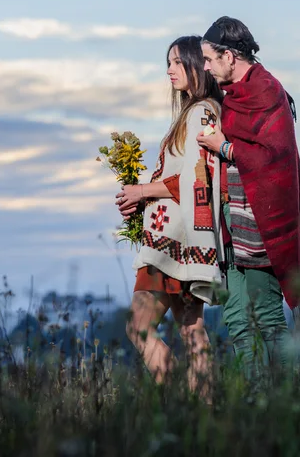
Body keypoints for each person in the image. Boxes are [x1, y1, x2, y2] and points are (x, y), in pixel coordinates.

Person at [197, 16, 300, 377]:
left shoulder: (266, 91)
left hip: (265, 226)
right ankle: (254, 401)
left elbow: (275, 157)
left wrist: (225, 147)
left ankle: (288, 400)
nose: (205, 66)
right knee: (236, 316)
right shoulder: (234, 95)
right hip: (235, 222)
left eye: (208, 58)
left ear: (229, 57)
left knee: (267, 316)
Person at [115, 35, 225, 398]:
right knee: (191, 330)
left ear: (198, 65)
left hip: (172, 245)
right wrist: (141, 199)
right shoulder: (197, 112)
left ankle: (181, 402)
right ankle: (205, 415)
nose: (169, 70)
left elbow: (200, 176)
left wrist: (143, 191)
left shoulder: (201, 112)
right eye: (168, 62)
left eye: (178, 62)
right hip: (180, 239)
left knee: (139, 328)